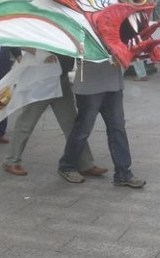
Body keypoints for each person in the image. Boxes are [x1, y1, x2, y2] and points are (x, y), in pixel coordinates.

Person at [3, 52, 108, 177]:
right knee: (27, 122)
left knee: (71, 124)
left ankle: (85, 163)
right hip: (42, 81)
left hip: (61, 79)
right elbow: (24, 41)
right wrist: (41, 55)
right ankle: (11, 160)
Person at [58, 59, 146, 188]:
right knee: (83, 129)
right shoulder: (85, 37)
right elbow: (81, 52)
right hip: (89, 87)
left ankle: (123, 173)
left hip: (113, 85)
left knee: (117, 128)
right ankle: (67, 166)